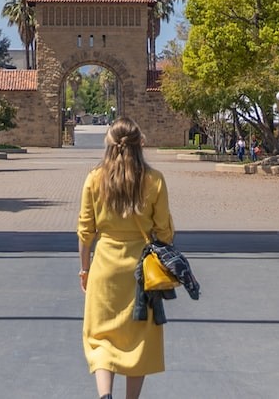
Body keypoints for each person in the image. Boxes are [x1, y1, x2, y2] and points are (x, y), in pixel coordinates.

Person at [78, 116, 174, 399]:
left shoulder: (94, 179)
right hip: (141, 269)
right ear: (139, 144)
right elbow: (164, 232)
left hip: (104, 265)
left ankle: (104, 394)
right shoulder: (154, 180)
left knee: (101, 336)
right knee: (138, 337)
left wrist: (84, 269)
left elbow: (85, 231)